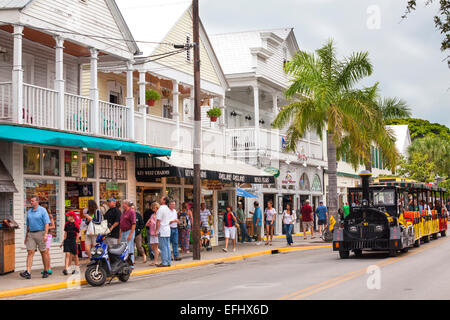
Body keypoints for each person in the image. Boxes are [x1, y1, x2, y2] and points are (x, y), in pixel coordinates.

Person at [20, 196, 51, 279]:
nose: (31, 202)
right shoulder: (29, 211)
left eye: (33, 201)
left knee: (43, 252)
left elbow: (47, 223)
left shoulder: (43, 210)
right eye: (31, 201)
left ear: (37, 202)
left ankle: (46, 270)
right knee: (30, 252)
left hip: (41, 233)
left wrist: (45, 234)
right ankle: (28, 272)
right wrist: (26, 236)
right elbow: (28, 225)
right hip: (31, 234)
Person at [60, 211, 80, 275]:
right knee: (67, 254)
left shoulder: (76, 224)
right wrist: (63, 241)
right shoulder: (66, 224)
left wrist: (76, 241)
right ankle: (66, 268)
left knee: (75, 255)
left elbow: (77, 234)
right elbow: (65, 233)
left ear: (72, 217)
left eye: (68, 216)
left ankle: (77, 268)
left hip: (73, 240)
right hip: (67, 240)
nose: (67, 217)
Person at [156, 196, 172, 267]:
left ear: (164, 201)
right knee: (167, 246)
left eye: (161, 199)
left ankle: (164, 262)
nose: (160, 199)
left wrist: (156, 230)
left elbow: (158, 221)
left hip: (162, 229)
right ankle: (168, 261)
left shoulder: (161, 209)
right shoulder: (168, 209)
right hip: (167, 229)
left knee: (163, 247)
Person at [119, 200, 136, 264]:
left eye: (123, 204)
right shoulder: (123, 212)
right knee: (123, 247)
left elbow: (134, 224)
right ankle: (125, 262)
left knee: (129, 247)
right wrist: (120, 233)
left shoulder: (131, 212)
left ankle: (131, 263)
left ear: (127, 204)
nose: (122, 205)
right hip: (123, 231)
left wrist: (130, 234)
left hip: (128, 231)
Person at [41, 203, 55, 275]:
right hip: (42, 235)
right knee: (44, 252)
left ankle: (49, 268)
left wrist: (46, 228)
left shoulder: (49, 216)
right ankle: (45, 268)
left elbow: (53, 226)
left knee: (46, 251)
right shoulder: (41, 216)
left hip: (48, 235)